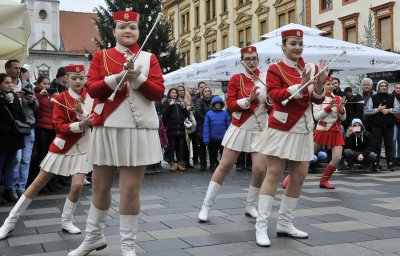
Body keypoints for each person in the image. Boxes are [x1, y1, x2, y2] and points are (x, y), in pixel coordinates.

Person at [68, 11, 164, 256]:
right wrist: (119, 77)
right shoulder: (101, 56)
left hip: (137, 130)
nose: (127, 31)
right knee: (100, 187)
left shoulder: (148, 58)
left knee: (130, 189)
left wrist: (137, 77)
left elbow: (157, 93)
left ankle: (127, 247)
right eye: (122, 27)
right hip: (107, 127)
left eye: (132, 27)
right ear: (114, 31)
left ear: (138, 31)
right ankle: (92, 238)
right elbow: (93, 89)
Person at [251, 29, 327, 247]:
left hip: (303, 127)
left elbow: (316, 99)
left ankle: (285, 223)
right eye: (293, 43)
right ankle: (261, 227)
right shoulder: (275, 69)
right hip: (282, 127)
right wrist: (299, 85)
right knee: (274, 174)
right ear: (283, 46)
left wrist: (320, 83)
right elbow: (275, 96)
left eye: (300, 44)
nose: (297, 47)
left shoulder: (309, 68)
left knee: (300, 175)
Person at [0, 64, 94, 240]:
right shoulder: (60, 98)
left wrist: (84, 116)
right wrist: (80, 123)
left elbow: (96, 121)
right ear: (67, 79)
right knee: (38, 182)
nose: (78, 81)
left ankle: (66, 220)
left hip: (83, 146)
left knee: (77, 185)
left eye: (81, 78)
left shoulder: (90, 98)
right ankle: (9, 222)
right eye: (74, 78)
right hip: (62, 146)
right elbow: (59, 127)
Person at [198, 46, 269, 222]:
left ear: (258, 59)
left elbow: (272, 104)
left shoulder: (267, 78)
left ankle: (251, 205)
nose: (251, 62)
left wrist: (271, 101)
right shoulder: (236, 79)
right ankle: (206, 206)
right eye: (248, 59)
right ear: (242, 61)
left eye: (254, 58)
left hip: (260, 127)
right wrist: (248, 100)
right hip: (240, 126)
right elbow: (230, 104)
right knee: (224, 166)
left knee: (260, 170)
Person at [0, 73, 26, 204]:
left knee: (11, 165)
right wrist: (6, 102)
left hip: (14, 138)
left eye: (10, 83)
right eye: (6, 82)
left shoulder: (14, 97)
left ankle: (9, 190)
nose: (10, 85)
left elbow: (21, 115)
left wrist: (22, 126)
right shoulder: (3, 99)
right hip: (1, 138)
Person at [365, 80, 400, 171]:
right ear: (378, 87)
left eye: (385, 86)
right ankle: (376, 163)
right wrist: (378, 109)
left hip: (389, 125)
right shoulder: (373, 98)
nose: (384, 87)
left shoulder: (392, 98)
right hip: (376, 125)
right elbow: (366, 111)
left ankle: (390, 163)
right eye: (382, 86)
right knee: (377, 145)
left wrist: (389, 110)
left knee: (389, 144)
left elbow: (398, 109)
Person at [162, 88, 188, 172]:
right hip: (171, 128)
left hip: (180, 128)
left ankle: (180, 163)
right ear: (169, 94)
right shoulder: (166, 102)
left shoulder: (180, 102)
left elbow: (185, 115)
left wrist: (184, 108)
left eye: (175, 93)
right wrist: (170, 106)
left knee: (180, 147)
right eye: (172, 93)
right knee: (171, 146)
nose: (174, 94)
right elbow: (164, 115)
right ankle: (172, 163)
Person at [203, 96, 230, 171]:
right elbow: (206, 127)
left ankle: (223, 165)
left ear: (221, 105)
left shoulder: (225, 114)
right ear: (213, 104)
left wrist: (229, 137)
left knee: (223, 153)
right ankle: (213, 164)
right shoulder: (209, 114)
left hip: (223, 138)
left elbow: (228, 126)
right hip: (213, 138)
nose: (218, 105)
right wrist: (206, 138)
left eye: (219, 103)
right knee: (212, 153)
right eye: (216, 103)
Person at [391, 82, 400, 163]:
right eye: (397, 87)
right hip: (393, 121)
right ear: (394, 88)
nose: (398, 89)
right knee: (393, 139)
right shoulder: (391, 97)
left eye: (399, 88)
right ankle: (393, 157)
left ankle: (398, 158)